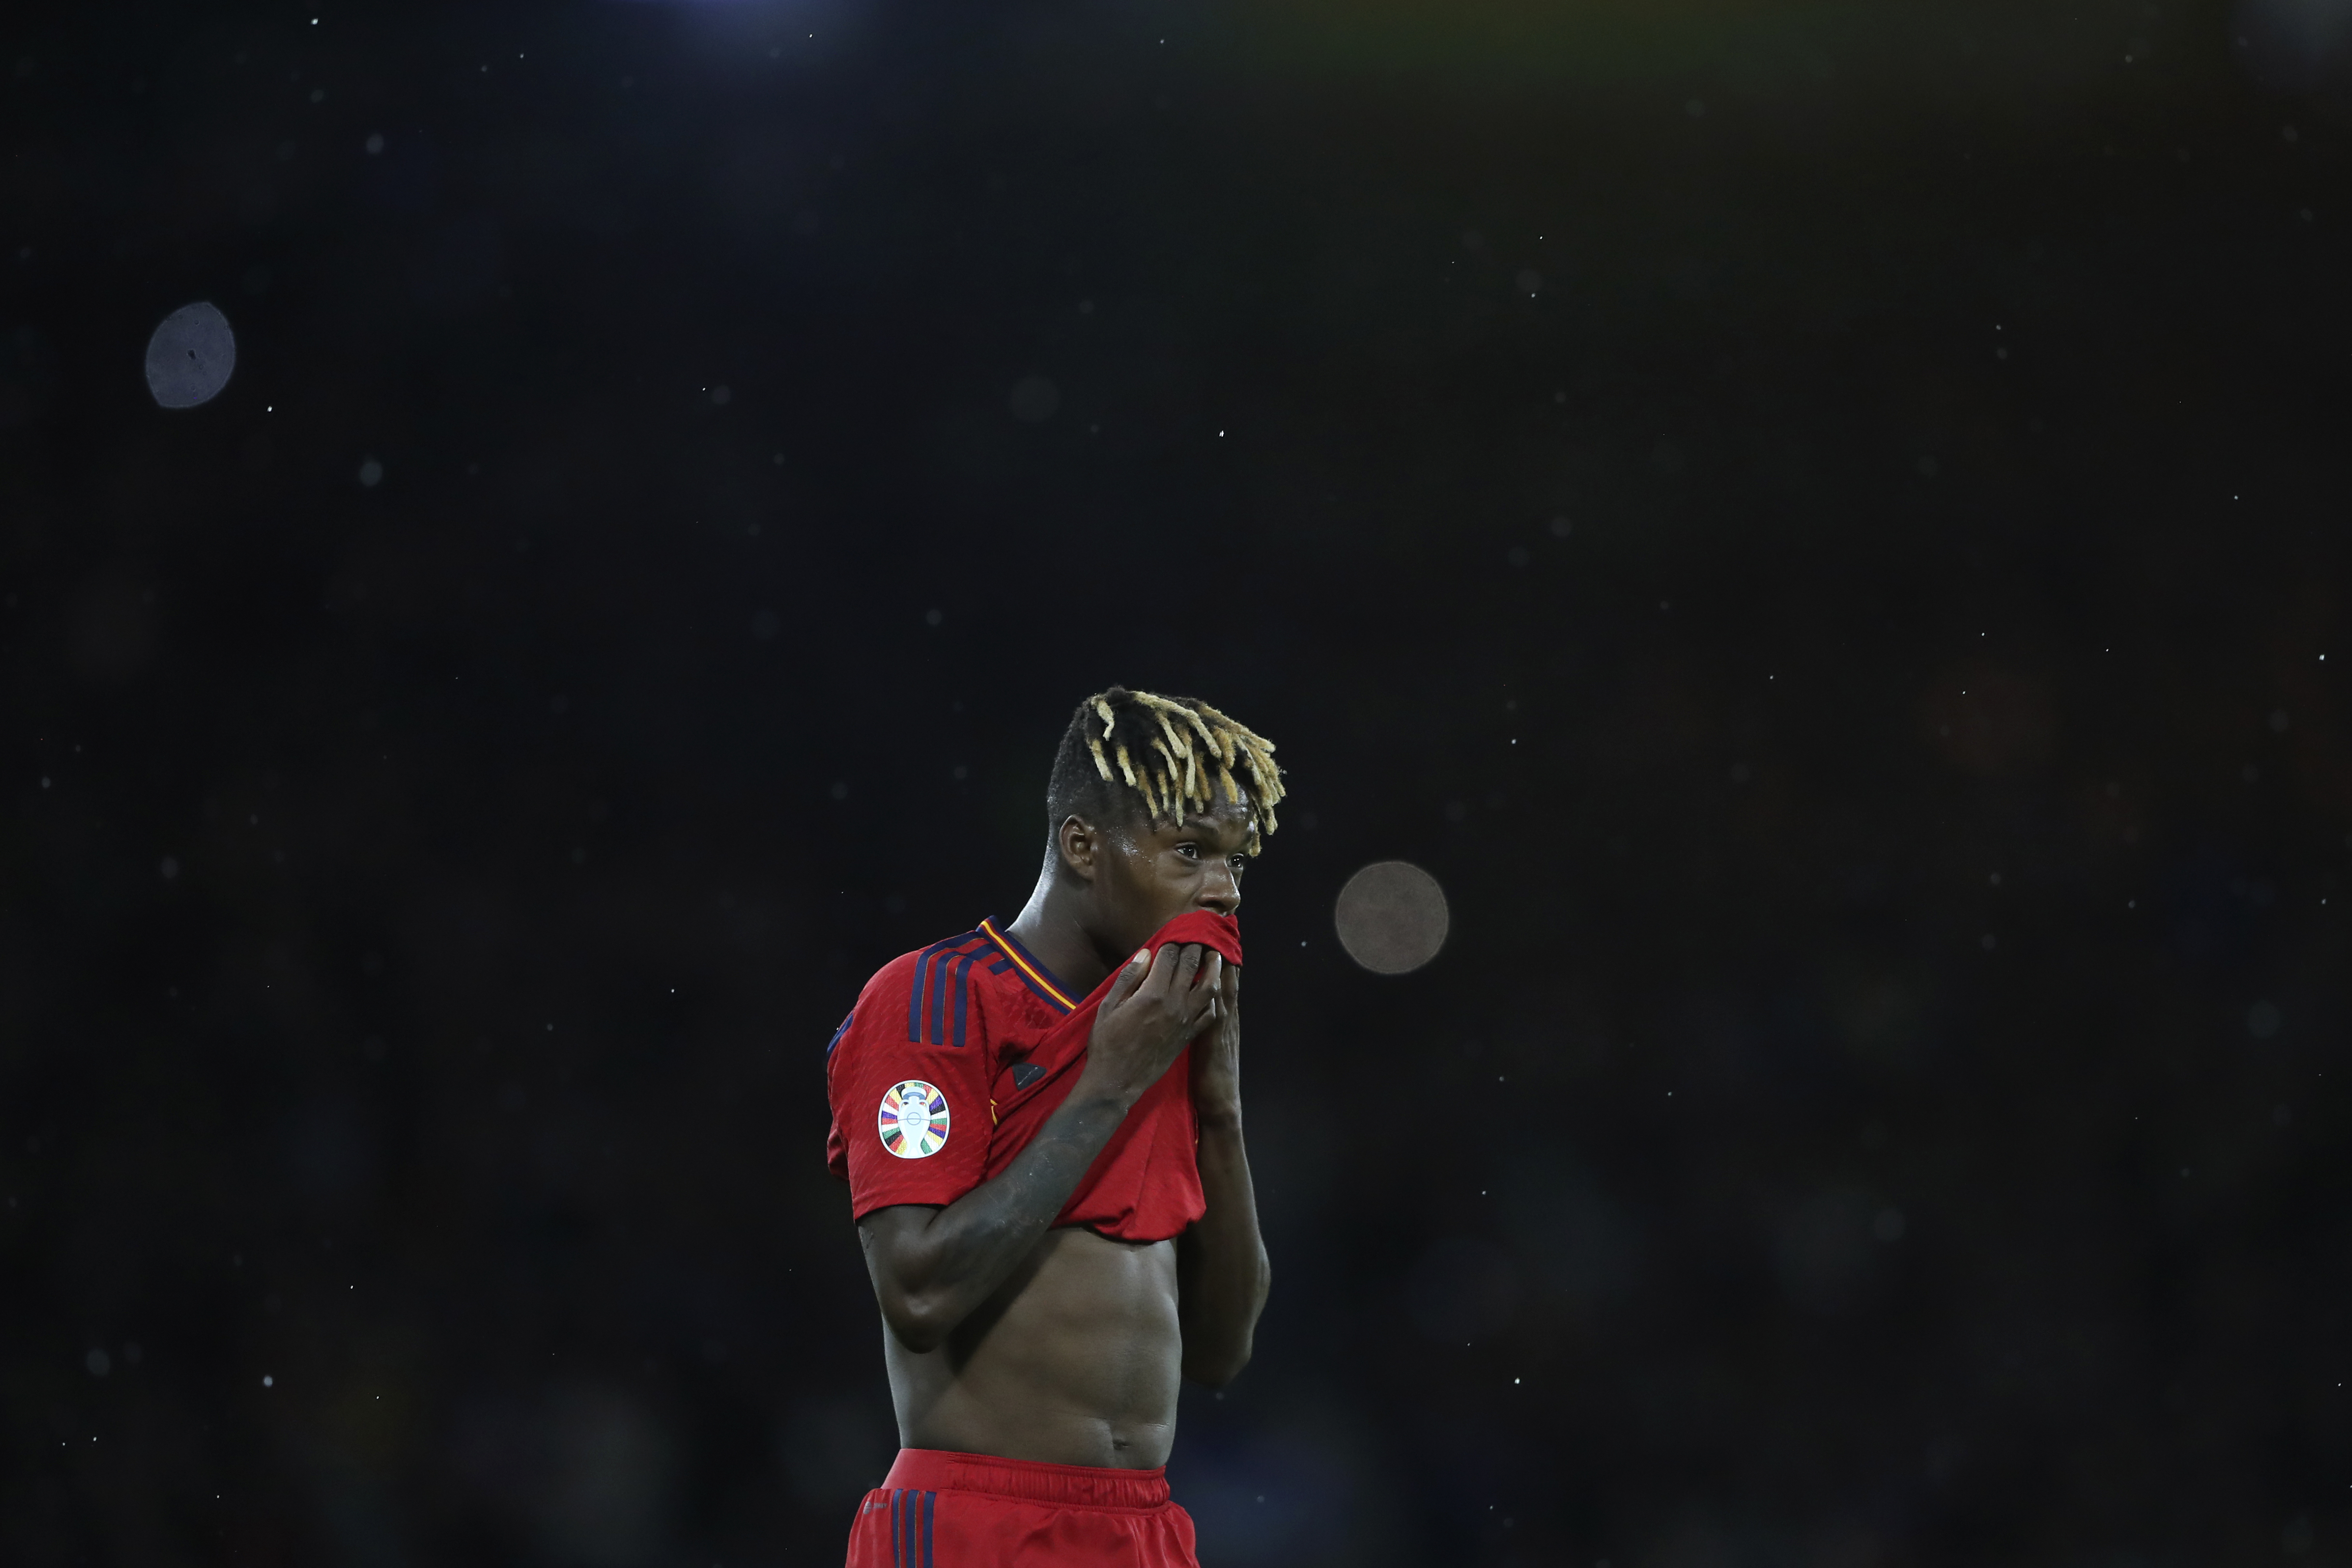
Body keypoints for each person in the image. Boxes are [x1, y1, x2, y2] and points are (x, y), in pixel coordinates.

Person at [822, 686, 1283, 1566]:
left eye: (1233, 861)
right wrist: (1111, 1081)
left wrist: (1218, 1108)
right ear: (1081, 845)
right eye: (1189, 851)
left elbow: (1222, 1351)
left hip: (1144, 1527)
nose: (1221, 889)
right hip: (975, 1519)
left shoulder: (1157, 1023)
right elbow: (917, 1293)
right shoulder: (933, 1001)